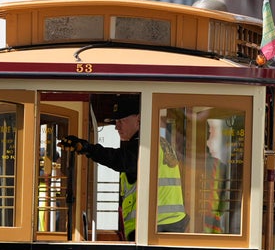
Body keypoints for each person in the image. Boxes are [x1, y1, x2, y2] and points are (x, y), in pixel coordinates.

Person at [63, 95, 186, 240]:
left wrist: (87, 148)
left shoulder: (144, 146)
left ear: (139, 119)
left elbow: (121, 160)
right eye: (116, 122)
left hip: (154, 228)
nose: (116, 127)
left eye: (121, 121)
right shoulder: (159, 142)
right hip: (167, 225)